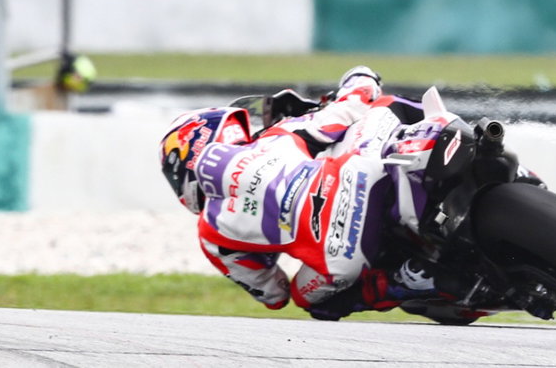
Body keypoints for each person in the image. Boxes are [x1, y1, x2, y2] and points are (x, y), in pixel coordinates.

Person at [159, 66, 468, 320]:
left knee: (307, 300)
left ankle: (403, 282)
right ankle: (460, 136)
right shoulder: (276, 136)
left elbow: (274, 294)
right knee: (386, 106)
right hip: (364, 172)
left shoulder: (210, 235)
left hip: (343, 251)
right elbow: (351, 105)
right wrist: (361, 77)